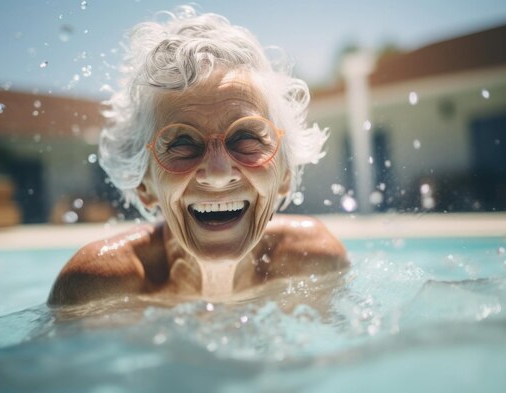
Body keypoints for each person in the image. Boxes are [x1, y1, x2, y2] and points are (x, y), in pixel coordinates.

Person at [48, 6, 347, 306]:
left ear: (285, 174)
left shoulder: (315, 263)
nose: (218, 173)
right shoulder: (98, 289)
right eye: (182, 144)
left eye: (245, 138)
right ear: (144, 185)